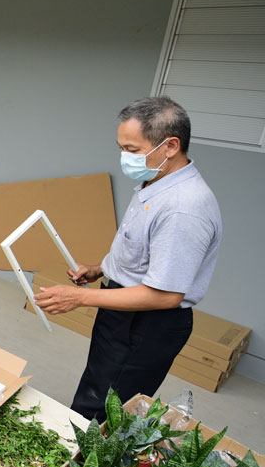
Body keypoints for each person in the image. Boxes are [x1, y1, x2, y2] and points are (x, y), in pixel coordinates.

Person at [35, 97, 221, 422]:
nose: (124, 157)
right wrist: (101, 269)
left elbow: (165, 294)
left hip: (147, 324)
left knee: (107, 409)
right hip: (122, 312)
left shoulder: (183, 208)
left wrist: (79, 297)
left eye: (132, 150)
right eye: (121, 147)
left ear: (170, 146)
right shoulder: (156, 180)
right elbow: (142, 252)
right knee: (96, 388)